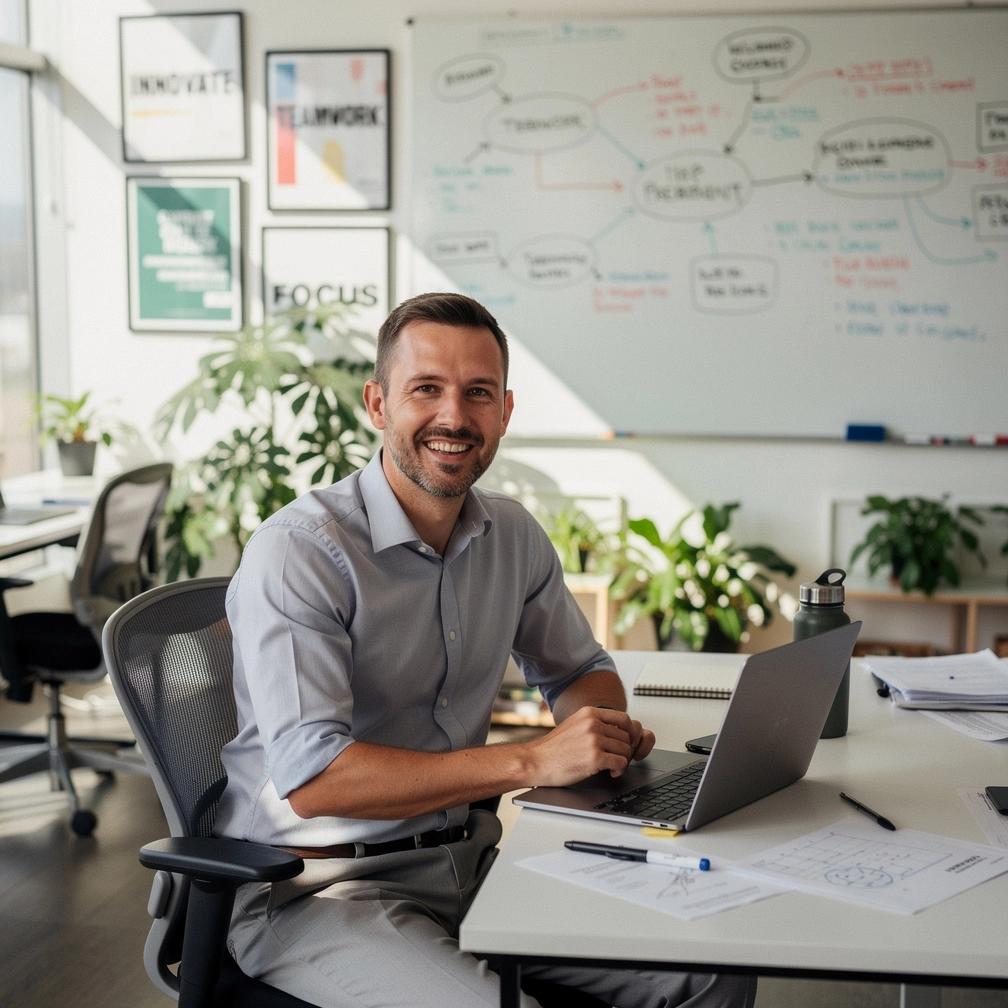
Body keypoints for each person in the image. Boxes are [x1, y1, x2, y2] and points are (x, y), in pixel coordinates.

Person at [217, 292, 756, 1008]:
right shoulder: (302, 552)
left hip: (470, 866)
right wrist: (534, 759)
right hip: (319, 890)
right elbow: (315, 778)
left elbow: (579, 670)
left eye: (478, 394)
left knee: (710, 968)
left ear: (504, 411)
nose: (454, 417)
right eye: (426, 390)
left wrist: (595, 733)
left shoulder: (512, 535)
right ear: (378, 405)